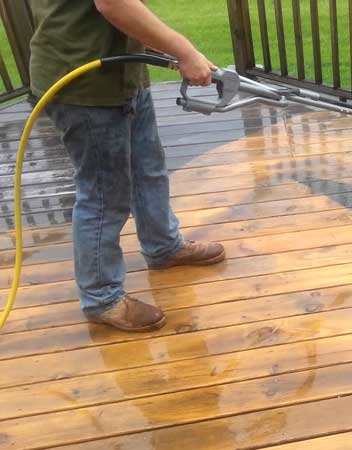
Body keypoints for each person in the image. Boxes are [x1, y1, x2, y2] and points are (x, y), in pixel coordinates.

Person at [28, 0, 226, 332]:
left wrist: (179, 52)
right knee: (104, 195)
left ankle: (163, 246)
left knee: (149, 171)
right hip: (85, 85)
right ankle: (101, 297)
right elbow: (113, 4)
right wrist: (184, 50)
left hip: (123, 75)